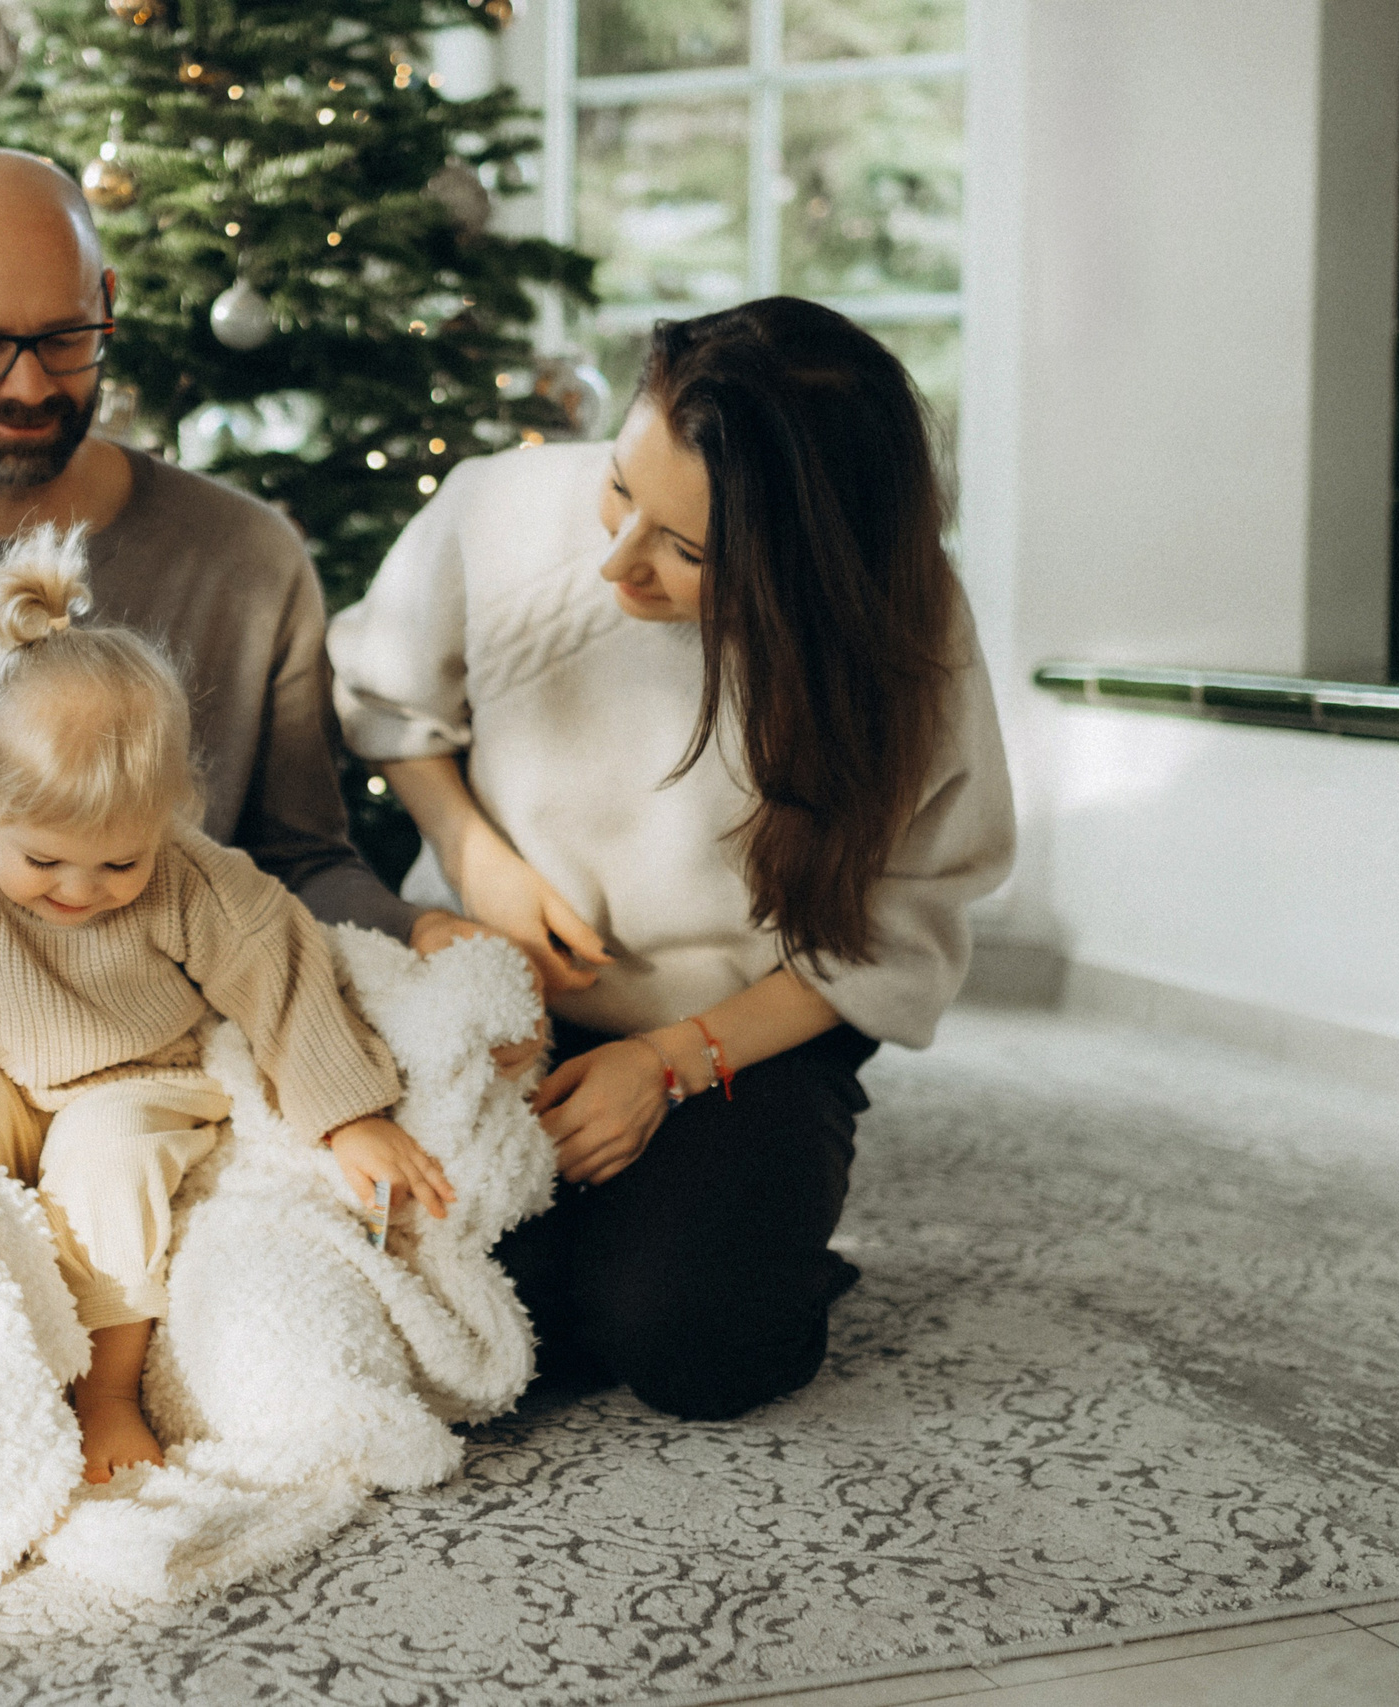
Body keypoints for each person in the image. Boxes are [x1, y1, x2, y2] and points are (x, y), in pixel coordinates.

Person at [0, 147, 498, 1456]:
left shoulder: (247, 560)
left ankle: (121, 1371)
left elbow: (301, 864)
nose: (28, 384)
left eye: (64, 339)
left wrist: (431, 944)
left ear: (110, 308)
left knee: (315, 1362)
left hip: (162, 1075)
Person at [328, 296, 1016, 1422]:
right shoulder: (494, 507)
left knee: (702, 1347)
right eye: (618, 489)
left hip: (745, 1035)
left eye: (686, 550)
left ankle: (720, 1231)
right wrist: (474, 854)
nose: (615, 563)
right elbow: (385, 704)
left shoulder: (909, 636)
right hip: (489, 1007)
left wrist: (667, 1062)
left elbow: (898, 932)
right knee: (424, 1310)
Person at [0, 527, 453, 1481]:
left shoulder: (196, 884)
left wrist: (352, 1116)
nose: (79, 890)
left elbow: (285, 975)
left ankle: (106, 1395)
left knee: (105, 1161)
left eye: (118, 862)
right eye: (42, 859)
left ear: (169, 813)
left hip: (134, 1077)